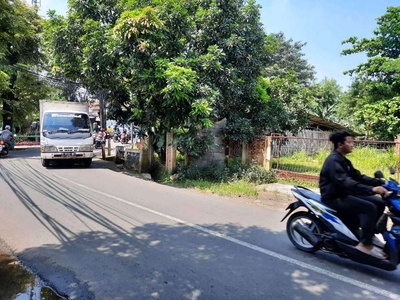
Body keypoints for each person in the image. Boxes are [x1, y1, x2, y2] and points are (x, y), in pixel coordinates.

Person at [319, 130, 388, 259]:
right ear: (340, 144)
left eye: (352, 142)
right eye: (349, 142)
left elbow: (358, 177)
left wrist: (381, 183)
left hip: (345, 194)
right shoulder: (333, 161)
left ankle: (369, 235)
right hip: (334, 197)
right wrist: (372, 190)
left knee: (379, 203)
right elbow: (346, 182)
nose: (352, 145)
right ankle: (365, 245)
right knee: (370, 208)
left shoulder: (344, 161)